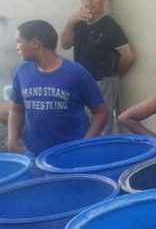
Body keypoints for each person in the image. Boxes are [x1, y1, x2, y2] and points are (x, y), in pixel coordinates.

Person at [7, 20, 108, 155]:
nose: (17, 47)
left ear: (35, 43)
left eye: (19, 41)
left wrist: (85, 143)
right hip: (34, 154)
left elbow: (101, 112)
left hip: (71, 153)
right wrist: (12, 140)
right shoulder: (21, 71)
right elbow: (16, 110)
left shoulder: (75, 73)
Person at [61, 0, 135, 135]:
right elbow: (65, 45)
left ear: (103, 0)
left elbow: (128, 55)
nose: (89, 0)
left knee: (102, 122)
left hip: (103, 80)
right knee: (86, 120)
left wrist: (113, 75)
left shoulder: (108, 24)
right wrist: (70, 22)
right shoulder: (78, 22)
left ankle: (106, 155)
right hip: (82, 81)